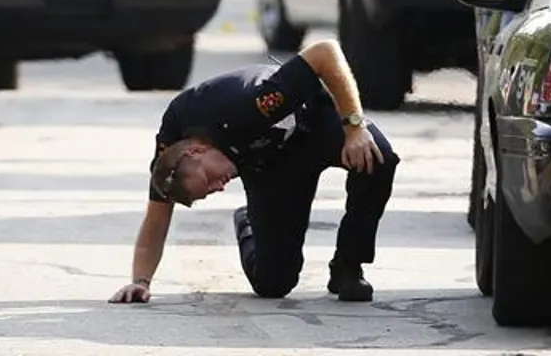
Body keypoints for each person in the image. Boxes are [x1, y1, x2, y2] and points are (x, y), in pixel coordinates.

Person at [109, 39, 400, 305]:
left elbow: (325, 51)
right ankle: (249, 220)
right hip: (269, 167)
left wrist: (353, 126)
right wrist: (140, 281)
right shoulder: (170, 149)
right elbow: (157, 215)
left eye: (209, 181)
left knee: (378, 157)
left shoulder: (251, 103)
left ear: (195, 151)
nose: (219, 188)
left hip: (313, 125)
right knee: (273, 283)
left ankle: (348, 265)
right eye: (210, 192)